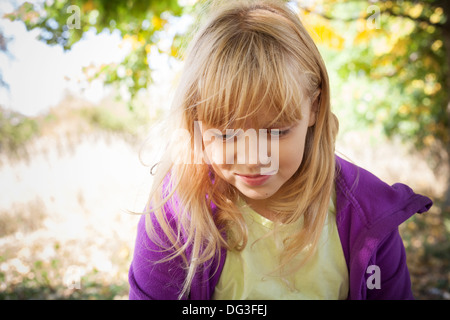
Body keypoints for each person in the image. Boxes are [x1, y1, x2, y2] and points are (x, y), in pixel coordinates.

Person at [128, 0, 432, 300]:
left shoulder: (370, 213)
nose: (252, 158)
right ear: (196, 122)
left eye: (276, 131)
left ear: (313, 107)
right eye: (225, 134)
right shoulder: (175, 218)